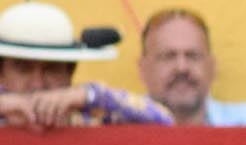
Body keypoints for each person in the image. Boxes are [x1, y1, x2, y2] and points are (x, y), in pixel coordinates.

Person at [0, 0, 168, 128]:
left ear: (70, 71)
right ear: (2, 73)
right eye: (23, 69)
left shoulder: (89, 115)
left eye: (51, 69)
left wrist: (87, 96)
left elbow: (164, 119)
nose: (38, 83)